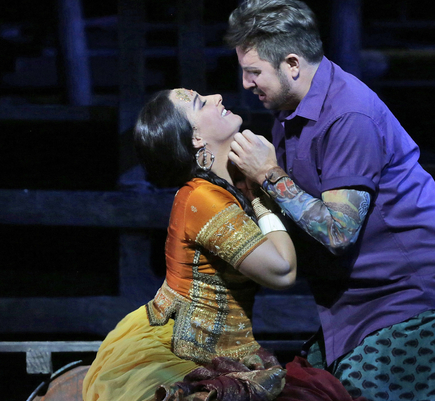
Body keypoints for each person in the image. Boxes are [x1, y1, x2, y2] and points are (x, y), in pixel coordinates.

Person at [225, 0, 435, 401]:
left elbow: (338, 232)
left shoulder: (348, 115)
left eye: (254, 71)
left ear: (292, 64)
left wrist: (269, 174)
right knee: (302, 393)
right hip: (358, 301)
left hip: (415, 298)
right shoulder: (293, 112)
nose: (245, 83)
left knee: (346, 398)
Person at [82, 88, 365, 401]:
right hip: (181, 352)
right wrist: (262, 192)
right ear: (195, 139)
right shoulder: (201, 198)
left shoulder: (225, 190)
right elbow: (283, 271)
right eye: (200, 103)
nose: (216, 96)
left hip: (229, 352)